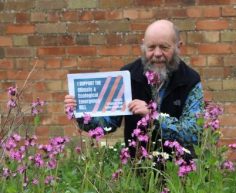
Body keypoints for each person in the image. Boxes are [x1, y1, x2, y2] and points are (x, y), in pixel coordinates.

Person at [64, 19, 204, 158]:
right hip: (137, 169)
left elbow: (193, 134)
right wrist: (82, 112)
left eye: (164, 47)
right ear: (143, 45)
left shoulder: (190, 80)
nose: (157, 53)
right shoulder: (128, 75)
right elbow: (108, 123)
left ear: (179, 46)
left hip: (178, 171)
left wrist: (153, 116)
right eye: (151, 47)